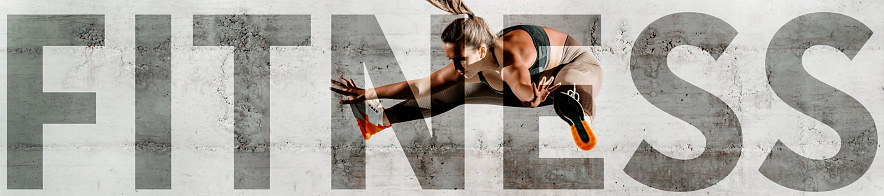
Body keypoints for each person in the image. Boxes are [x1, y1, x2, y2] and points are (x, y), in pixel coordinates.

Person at [330, 0, 603, 150]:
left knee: (574, 80)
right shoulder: (471, 61)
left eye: (460, 60)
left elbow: (521, 87)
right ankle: (377, 120)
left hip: (571, 66)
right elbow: (421, 86)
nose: (456, 67)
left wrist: (532, 96)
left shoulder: (511, 58)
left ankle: (580, 117)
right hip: (532, 88)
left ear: (482, 49)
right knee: (454, 90)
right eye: (452, 59)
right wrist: (368, 93)